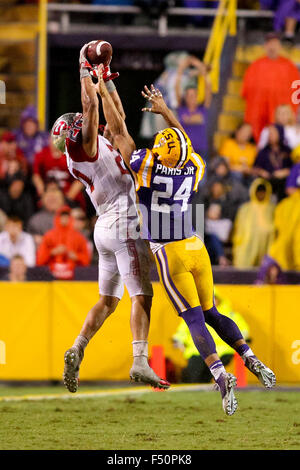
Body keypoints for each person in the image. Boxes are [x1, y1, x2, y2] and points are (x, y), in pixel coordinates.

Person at [109, 84, 276, 415]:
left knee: (194, 319)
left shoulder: (147, 164)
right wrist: (167, 111)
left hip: (170, 253)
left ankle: (220, 375)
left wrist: (107, 96)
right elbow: (182, 141)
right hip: (196, 246)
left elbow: (121, 136)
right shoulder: (193, 165)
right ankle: (251, 358)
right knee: (212, 311)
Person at [52, 44, 169, 393]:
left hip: (104, 226)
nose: (80, 119)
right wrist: (85, 70)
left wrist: (106, 82)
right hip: (123, 218)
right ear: (72, 135)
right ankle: (139, 361)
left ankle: (77, 347)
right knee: (142, 294)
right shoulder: (84, 148)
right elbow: (91, 108)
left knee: (108, 300)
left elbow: (116, 119)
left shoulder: (89, 149)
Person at [173, 289, 250, 384]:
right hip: (197, 349)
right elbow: (182, 332)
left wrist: (239, 342)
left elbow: (243, 331)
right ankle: (194, 387)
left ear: (219, 299)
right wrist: (179, 341)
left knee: (209, 369)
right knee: (195, 370)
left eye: (213, 298)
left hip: (223, 349)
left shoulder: (231, 315)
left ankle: (202, 386)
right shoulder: (195, 315)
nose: (211, 301)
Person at [242, 32, 300, 142]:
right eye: (269, 44)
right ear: (265, 46)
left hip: (282, 116)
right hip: (260, 116)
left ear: (280, 46)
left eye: (275, 43)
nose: (272, 47)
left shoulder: (289, 66)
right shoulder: (255, 66)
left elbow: (296, 93)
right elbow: (247, 92)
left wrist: (289, 114)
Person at [36, 205, 91, 280]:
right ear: (57, 218)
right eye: (62, 216)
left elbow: (86, 261)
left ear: (70, 218)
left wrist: (76, 256)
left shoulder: (79, 238)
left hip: (73, 277)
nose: (64, 219)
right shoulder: (48, 236)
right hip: (51, 276)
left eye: (67, 217)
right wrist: (52, 252)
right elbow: (39, 260)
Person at [232, 179, 275, 268]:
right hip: (247, 245)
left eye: (263, 191)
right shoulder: (245, 208)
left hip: (267, 246)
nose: (260, 194)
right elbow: (239, 229)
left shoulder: (272, 209)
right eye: (258, 191)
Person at [175, 55, 212, 158]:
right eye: (189, 95)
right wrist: (181, 70)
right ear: (185, 97)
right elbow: (176, 87)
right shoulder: (181, 109)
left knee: (203, 173)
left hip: (201, 149)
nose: (192, 98)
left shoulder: (202, 109)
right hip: (185, 150)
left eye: (194, 95)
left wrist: (201, 68)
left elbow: (208, 88)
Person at [32, 137, 85, 209]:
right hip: (48, 192)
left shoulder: (71, 155)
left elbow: (80, 179)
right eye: (54, 138)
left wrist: (68, 198)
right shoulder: (41, 155)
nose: (56, 141)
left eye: (59, 138)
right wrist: (43, 194)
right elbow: (36, 176)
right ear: (49, 140)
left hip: (68, 193)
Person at [253, 124, 293, 201]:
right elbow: (255, 167)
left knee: (283, 183)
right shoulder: (263, 151)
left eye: (273, 133)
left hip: (282, 181)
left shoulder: (287, 151)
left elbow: (294, 168)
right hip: (266, 180)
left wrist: (285, 172)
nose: (270, 136)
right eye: (269, 133)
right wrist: (261, 172)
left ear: (280, 133)